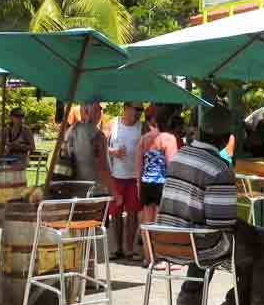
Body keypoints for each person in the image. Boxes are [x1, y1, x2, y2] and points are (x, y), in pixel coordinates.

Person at [156, 105, 260, 305]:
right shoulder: (219, 169)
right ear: (225, 139)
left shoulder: (180, 156)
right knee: (259, 252)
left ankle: (188, 302)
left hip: (168, 240)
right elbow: (220, 224)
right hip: (197, 242)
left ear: (200, 132)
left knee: (204, 236)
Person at [136, 104, 180, 268]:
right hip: (163, 183)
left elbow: (138, 165)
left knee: (147, 222)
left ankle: (149, 258)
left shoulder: (144, 139)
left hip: (147, 183)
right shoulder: (169, 139)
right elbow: (171, 165)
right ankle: (164, 258)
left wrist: (139, 185)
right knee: (164, 222)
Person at [107, 102, 144, 260]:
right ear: (126, 108)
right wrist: (113, 151)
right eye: (136, 109)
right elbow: (101, 145)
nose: (138, 113)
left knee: (133, 214)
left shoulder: (142, 127)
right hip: (116, 176)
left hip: (134, 177)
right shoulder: (113, 124)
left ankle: (129, 248)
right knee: (115, 214)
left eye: (140, 110)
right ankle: (117, 248)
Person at [67, 102, 120, 206]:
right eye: (98, 109)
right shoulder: (97, 136)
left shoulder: (69, 131)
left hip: (73, 193)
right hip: (95, 194)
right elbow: (102, 168)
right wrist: (115, 193)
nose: (100, 112)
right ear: (87, 111)